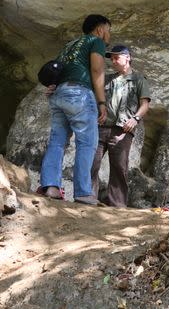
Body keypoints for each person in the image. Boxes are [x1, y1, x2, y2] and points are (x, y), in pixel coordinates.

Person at [39, 14, 110, 205]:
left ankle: (50, 186)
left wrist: (55, 86)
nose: (108, 34)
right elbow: (97, 70)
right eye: (108, 30)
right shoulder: (96, 42)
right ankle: (83, 192)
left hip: (58, 95)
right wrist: (101, 102)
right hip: (79, 94)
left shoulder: (69, 45)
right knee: (87, 143)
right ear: (100, 29)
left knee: (57, 142)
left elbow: (56, 69)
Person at [90, 45, 151, 207]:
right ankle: (87, 199)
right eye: (112, 58)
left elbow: (145, 104)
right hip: (101, 127)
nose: (113, 61)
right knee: (91, 163)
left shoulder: (139, 79)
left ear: (128, 57)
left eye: (117, 57)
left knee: (119, 167)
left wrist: (135, 119)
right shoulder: (108, 79)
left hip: (122, 130)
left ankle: (117, 205)